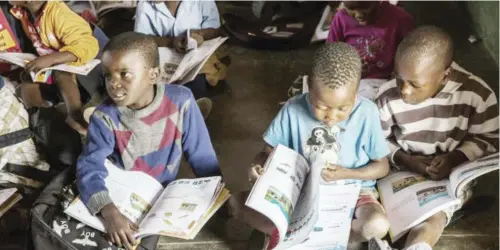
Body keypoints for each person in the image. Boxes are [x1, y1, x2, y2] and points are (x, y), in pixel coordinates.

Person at [230, 42, 391, 247]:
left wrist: (346, 173)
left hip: (353, 193)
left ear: (356, 94)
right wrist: (258, 169)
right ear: (309, 89)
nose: (331, 117)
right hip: (299, 197)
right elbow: (266, 152)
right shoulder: (292, 109)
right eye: (322, 106)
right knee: (236, 204)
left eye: (343, 108)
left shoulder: (367, 113)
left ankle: (340, 240)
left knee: (376, 224)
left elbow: (382, 166)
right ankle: (308, 236)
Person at [76, 32, 221, 250]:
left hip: (162, 196)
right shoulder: (104, 117)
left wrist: (216, 194)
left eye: (124, 74)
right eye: (108, 75)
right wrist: (109, 212)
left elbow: (202, 155)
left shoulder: (182, 101)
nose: (114, 84)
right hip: (124, 196)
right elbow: (90, 167)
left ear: (153, 75)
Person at [371, 26, 499, 250]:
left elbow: (488, 138)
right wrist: (403, 158)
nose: (404, 91)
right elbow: (375, 140)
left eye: (415, 84)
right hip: (399, 168)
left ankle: (418, 247)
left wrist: (456, 157)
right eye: (398, 78)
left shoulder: (478, 95)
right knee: (377, 213)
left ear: (445, 75)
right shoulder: (387, 97)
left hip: (447, 174)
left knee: (435, 215)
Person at [134, 0, 228, 119]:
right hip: (163, 58)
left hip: (195, 56)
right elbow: (141, 39)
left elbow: (215, 30)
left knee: (196, 80)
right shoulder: (144, 4)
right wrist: (171, 41)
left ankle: (190, 114)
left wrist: (200, 34)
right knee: (150, 83)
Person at [327, 1, 414, 100]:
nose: (359, 15)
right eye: (350, 9)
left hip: (388, 81)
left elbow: (412, 57)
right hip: (350, 81)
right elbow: (330, 55)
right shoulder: (341, 18)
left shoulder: (400, 18)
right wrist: (347, 66)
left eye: (364, 8)